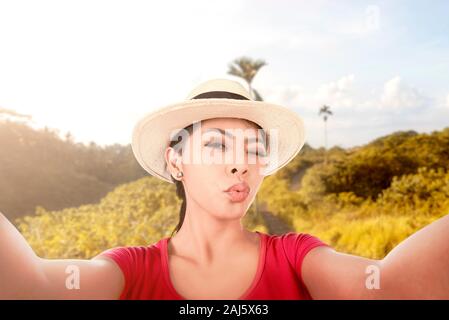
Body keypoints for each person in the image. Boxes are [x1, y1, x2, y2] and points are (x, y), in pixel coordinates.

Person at [0, 78, 448, 300]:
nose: (240, 163)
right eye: (216, 145)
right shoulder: (130, 272)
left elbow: (387, 288)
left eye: (254, 148)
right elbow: (33, 288)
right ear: (176, 161)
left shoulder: (296, 258)